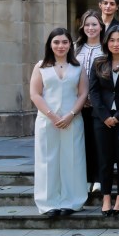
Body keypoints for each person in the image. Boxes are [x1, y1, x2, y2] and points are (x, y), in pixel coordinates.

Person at [30, 28, 89, 217]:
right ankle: (48, 203)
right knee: (47, 161)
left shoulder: (78, 66)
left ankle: (72, 201)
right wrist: (52, 116)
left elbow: (83, 94)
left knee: (73, 160)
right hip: (47, 120)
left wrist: (71, 114)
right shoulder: (41, 66)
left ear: (70, 45)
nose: (60, 46)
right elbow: (35, 94)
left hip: (72, 120)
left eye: (64, 42)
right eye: (56, 42)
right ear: (50, 45)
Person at [89, 25, 119, 217]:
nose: (116, 44)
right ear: (106, 42)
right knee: (104, 159)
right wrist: (105, 116)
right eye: (112, 40)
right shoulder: (99, 63)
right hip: (101, 119)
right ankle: (106, 197)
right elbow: (94, 92)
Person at [74, 10, 104, 193]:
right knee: (83, 143)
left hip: (100, 104)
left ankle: (99, 178)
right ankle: (86, 178)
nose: (91, 28)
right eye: (87, 25)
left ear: (101, 26)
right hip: (79, 105)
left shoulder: (106, 48)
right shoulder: (75, 48)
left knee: (99, 142)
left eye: (94, 24)